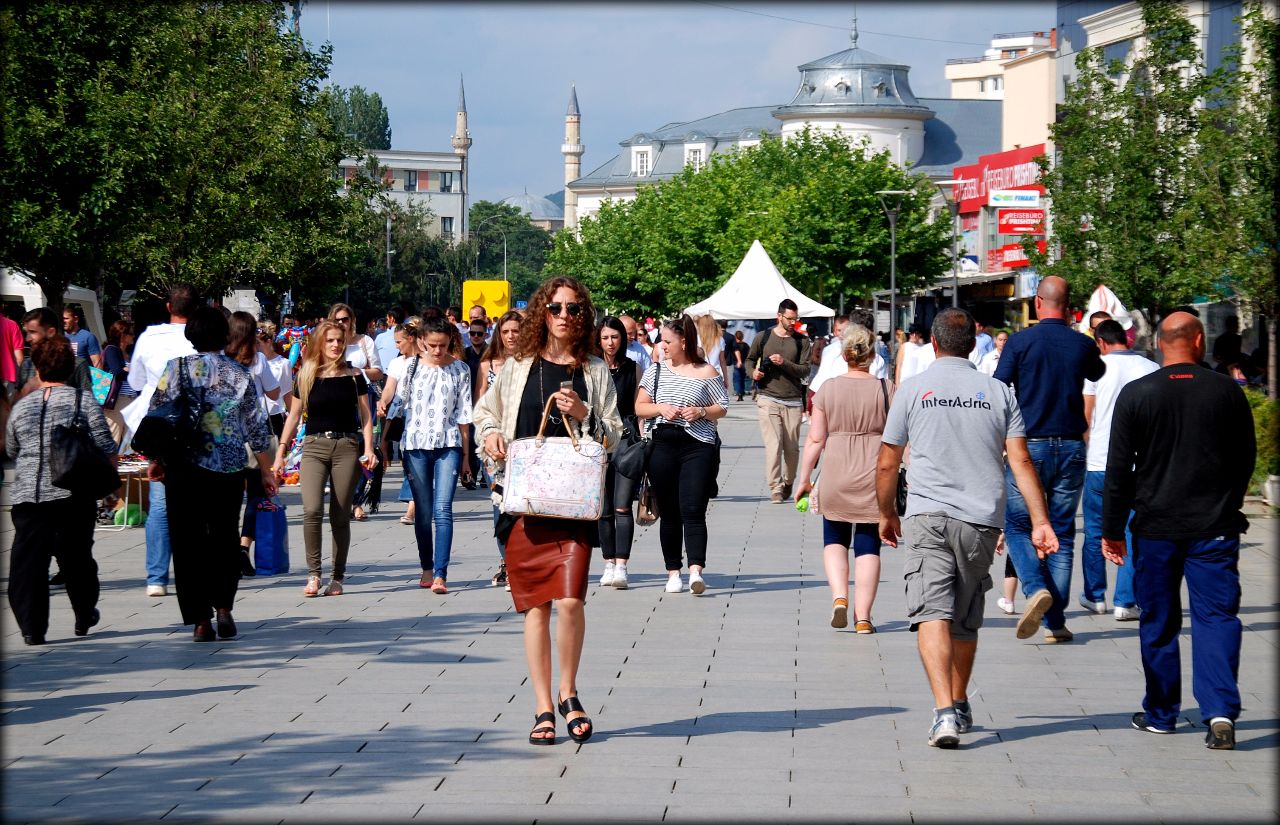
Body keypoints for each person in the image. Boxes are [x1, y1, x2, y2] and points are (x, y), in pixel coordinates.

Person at [876, 308, 1058, 748]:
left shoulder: (914, 390)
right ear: (973, 344)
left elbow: (887, 460)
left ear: (934, 344)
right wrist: (1040, 522)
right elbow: (1020, 460)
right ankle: (957, 701)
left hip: (927, 516)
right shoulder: (999, 393)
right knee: (964, 618)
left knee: (931, 613)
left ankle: (944, 713)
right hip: (980, 521)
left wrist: (886, 513)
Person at [472, 276, 622, 747]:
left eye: (574, 309)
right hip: (526, 501)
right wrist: (491, 436)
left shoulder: (595, 370)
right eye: (556, 308)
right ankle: (542, 706)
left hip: (574, 503)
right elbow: (485, 413)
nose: (564, 316)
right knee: (535, 606)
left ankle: (569, 692)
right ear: (543, 312)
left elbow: (615, 433)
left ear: (584, 316)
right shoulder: (518, 366)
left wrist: (583, 413)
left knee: (572, 600)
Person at [1102, 312, 1255, 749]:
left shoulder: (1138, 394)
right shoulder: (1227, 392)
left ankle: (1162, 713)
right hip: (1215, 527)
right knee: (1217, 617)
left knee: (1159, 620)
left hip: (1155, 527)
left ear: (1160, 344)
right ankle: (1220, 712)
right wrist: (1231, 501)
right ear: (1200, 340)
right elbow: (1245, 457)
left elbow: (1119, 470)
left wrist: (1112, 528)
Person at [146, 307, 277, 642]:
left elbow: (158, 416)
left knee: (187, 543)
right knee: (223, 539)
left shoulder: (175, 369)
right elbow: (257, 428)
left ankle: (199, 620)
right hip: (228, 468)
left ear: (192, 335)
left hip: (183, 467)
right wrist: (266, 470)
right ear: (224, 336)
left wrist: (157, 459)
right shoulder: (239, 374)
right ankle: (224, 607)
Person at [994, 276, 1106, 643]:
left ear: (1039, 302)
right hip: (1072, 445)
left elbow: (999, 385)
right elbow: (1097, 372)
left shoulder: (1020, 342)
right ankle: (1054, 623)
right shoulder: (1082, 343)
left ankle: (1033, 588)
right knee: (1061, 532)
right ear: (1069, 305)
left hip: (1029, 446)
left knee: (1018, 525)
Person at [5, 337, 116, 645]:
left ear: (38, 367)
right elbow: (107, 445)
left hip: (29, 496)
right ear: (71, 367)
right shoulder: (82, 401)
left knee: (28, 564)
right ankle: (84, 613)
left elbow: (12, 448)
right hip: (73, 492)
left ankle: (32, 627)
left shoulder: (22, 406)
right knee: (77, 558)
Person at [794, 323, 889, 633]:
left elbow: (816, 440)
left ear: (845, 354)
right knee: (868, 545)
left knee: (834, 538)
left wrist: (805, 479)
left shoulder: (828, 389)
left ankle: (839, 598)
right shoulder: (887, 389)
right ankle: (863, 618)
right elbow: (899, 439)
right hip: (873, 473)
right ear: (872, 355)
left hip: (836, 470)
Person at [274, 320, 378, 598]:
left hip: (346, 445)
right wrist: (280, 452)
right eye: (330, 340)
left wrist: (368, 448)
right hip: (314, 446)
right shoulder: (307, 374)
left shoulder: (354, 375)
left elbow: (366, 415)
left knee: (340, 515)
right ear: (320, 342)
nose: (335, 345)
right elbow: (294, 416)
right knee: (311, 510)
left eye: (340, 341)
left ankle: (337, 576)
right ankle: (313, 573)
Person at [635, 315, 729, 595]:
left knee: (693, 509)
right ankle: (673, 571)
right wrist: (661, 408)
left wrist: (701, 411)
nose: (662, 346)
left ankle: (696, 571)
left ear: (684, 342)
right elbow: (640, 407)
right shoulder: (656, 371)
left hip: (697, 445)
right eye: (661, 341)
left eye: (667, 341)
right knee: (670, 511)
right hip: (663, 444)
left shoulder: (707, 371)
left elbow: (722, 407)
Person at [382, 316, 472, 594]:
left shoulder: (461, 370)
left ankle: (441, 574)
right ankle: (427, 567)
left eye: (443, 345)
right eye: (432, 345)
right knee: (422, 510)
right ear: (421, 341)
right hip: (416, 444)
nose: (437, 350)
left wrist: (467, 456)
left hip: (449, 444)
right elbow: (391, 397)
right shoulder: (408, 367)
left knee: (442, 509)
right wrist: (383, 405)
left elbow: (464, 416)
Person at [122, 284, 199, 598]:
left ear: (168, 307)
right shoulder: (202, 337)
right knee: (195, 503)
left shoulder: (149, 337)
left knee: (160, 502)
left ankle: (156, 577)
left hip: (159, 425)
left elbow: (135, 382)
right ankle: (193, 571)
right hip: (195, 426)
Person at [1080, 320, 1159, 621]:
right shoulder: (1150, 368)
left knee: (1094, 532)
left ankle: (1094, 596)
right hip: (1138, 465)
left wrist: (1087, 451)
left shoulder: (1095, 367)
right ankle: (1126, 601)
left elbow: (1086, 417)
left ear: (1100, 341)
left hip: (1100, 461)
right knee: (1132, 531)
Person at [474, 310, 523, 587]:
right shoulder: (488, 365)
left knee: (521, 505)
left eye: (516, 331)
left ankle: (520, 561)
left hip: (523, 442)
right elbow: (480, 405)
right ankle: (506, 563)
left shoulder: (531, 362)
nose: (511, 336)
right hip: (494, 444)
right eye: (505, 332)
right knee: (499, 504)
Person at [745, 299, 811, 503]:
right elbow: (749, 359)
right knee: (774, 445)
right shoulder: (763, 337)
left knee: (791, 449)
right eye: (790, 319)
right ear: (779, 316)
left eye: (796, 318)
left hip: (792, 400)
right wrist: (753, 372)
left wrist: (784, 363)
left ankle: (789, 481)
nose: (793, 322)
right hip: (768, 398)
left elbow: (805, 369)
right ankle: (775, 488)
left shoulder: (802, 341)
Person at [596, 316, 642, 590]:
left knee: (622, 506)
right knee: (603, 510)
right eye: (605, 337)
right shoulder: (590, 368)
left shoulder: (633, 368)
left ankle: (622, 565)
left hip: (625, 441)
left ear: (622, 339)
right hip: (596, 441)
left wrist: (644, 441)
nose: (610, 343)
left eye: (615, 337)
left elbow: (639, 410)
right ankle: (608, 563)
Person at [329, 303, 383, 521]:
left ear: (352, 321)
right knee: (339, 450)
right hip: (335, 400)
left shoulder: (364, 342)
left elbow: (378, 372)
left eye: (346, 319)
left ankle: (356, 501)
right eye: (338, 320)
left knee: (362, 449)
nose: (342, 324)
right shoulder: (329, 343)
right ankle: (342, 498)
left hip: (361, 398)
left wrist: (356, 371)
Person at [17, 308, 94, 399]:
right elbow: (17, 404)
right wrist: (25, 391)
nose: (27, 338)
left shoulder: (77, 364)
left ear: (51, 332)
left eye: (33, 332)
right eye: (27, 332)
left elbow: (88, 403)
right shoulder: (27, 365)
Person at [100, 320, 138, 446]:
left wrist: (128, 370)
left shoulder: (129, 354)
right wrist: (133, 371)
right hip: (117, 401)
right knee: (113, 439)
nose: (133, 336)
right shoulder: (111, 350)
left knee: (131, 442)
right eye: (131, 333)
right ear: (122, 335)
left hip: (132, 400)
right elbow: (118, 372)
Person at [0, 300, 25, 399]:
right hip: (7, 377)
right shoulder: (12, 325)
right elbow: (19, 358)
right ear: (2, 306)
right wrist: (21, 382)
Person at [374, 307, 405, 377]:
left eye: (387, 319)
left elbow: (373, 356)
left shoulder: (382, 337)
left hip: (384, 376)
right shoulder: (409, 337)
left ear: (392, 319)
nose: (386, 321)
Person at [731, 329, 750, 401]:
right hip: (744, 363)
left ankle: (739, 393)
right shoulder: (746, 345)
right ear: (742, 337)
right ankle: (741, 393)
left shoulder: (734, 345)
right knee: (742, 379)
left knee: (737, 379)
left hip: (736, 363)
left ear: (735, 337)